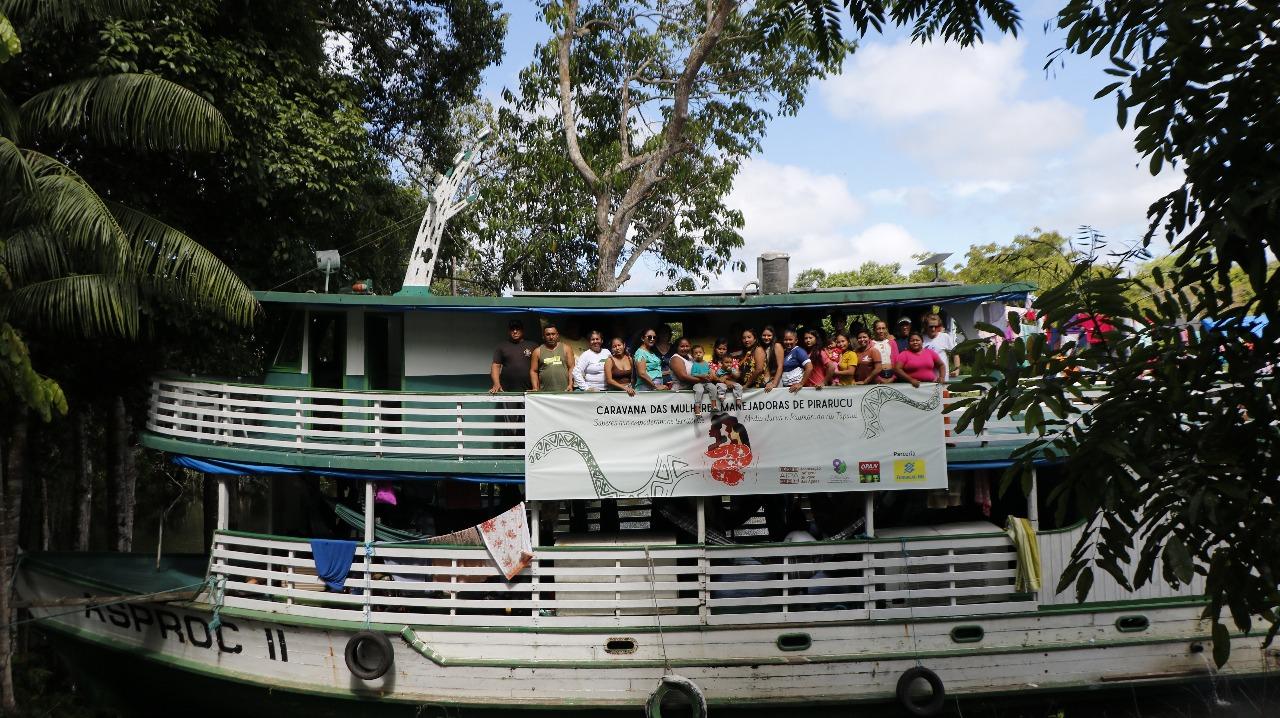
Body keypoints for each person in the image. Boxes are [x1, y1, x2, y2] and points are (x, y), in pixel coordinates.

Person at [489, 319, 536, 393]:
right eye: (512, 329)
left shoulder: (533, 346)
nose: (515, 331)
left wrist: (536, 387)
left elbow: (538, 368)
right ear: (509, 331)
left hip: (529, 390)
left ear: (522, 330)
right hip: (507, 390)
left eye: (517, 328)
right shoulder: (501, 346)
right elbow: (495, 366)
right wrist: (496, 384)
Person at [530, 322, 575, 392]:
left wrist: (570, 385)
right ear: (543, 336)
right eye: (548, 334)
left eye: (553, 334)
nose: (551, 337)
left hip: (565, 391)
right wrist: (535, 388)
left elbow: (571, 368)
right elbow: (533, 371)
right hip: (545, 392)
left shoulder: (566, 348)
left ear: (557, 335)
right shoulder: (537, 351)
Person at [709, 338, 743, 410]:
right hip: (720, 390)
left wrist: (726, 376)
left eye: (724, 349)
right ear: (715, 349)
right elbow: (714, 377)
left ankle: (738, 399)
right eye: (719, 348)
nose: (721, 351)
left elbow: (737, 375)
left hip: (733, 389)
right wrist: (726, 381)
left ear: (727, 350)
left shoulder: (732, 361)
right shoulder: (711, 363)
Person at [922, 313, 959, 377]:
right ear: (926, 326)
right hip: (927, 378)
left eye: (936, 326)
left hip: (942, 377)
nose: (933, 329)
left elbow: (955, 353)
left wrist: (957, 370)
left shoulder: (944, 337)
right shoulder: (921, 339)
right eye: (930, 326)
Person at [779, 328, 812, 393]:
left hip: (797, 389)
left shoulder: (798, 351)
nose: (788, 342)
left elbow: (809, 367)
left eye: (790, 339)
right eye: (785, 340)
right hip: (786, 388)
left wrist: (801, 383)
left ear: (796, 340)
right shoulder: (784, 352)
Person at [688, 345, 715, 414]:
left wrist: (711, 373)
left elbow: (709, 370)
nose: (698, 354)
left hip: (707, 382)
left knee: (713, 388)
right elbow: (693, 374)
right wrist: (701, 375)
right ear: (693, 355)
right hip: (698, 383)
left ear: (703, 353)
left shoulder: (706, 363)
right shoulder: (695, 364)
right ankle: (697, 407)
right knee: (700, 390)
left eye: (700, 352)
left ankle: (713, 405)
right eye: (696, 353)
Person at [759, 325, 786, 390]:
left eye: (769, 335)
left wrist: (774, 383)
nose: (766, 337)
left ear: (773, 336)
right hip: (763, 382)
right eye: (764, 335)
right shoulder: (761, 348)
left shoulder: (777, 346)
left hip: (774, 381)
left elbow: (780, 366)